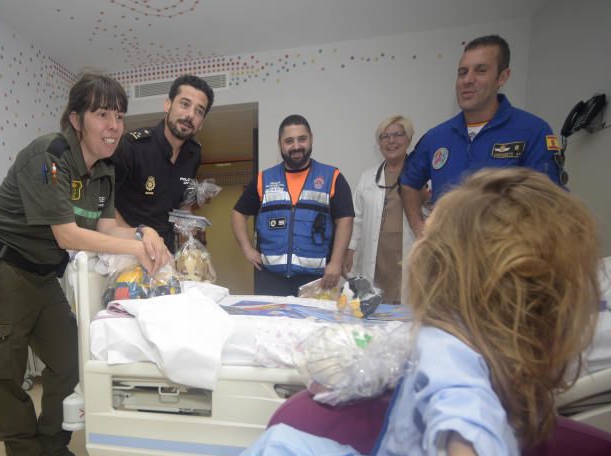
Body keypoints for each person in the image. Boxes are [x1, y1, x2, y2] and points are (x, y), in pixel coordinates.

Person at [83, 168, 601, 456]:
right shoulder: (475, 340)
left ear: (448, 268)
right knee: (282, 442)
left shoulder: (452, 348)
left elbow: (471, 431)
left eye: (431, 230)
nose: (421, 237)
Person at [0, 73, 171, 456]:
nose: (114, 125)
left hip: (43, 276)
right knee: (3, 374)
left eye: (119, 115)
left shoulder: (105, 171)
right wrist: (134, 248)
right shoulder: (48, 156)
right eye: (102, 114)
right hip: (2, 269)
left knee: (69, 362)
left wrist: (145, 234)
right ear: (77, 119)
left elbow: (108, 226)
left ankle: (55, 450)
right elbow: (68, 236)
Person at [401, 34, 563, 237]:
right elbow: (409, 183)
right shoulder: (436, 138)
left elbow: (548, 203)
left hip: (505, 259)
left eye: (481, 70)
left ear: (502, 77)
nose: (468, 80)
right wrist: (420, 229)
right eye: (462, 72)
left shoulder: (532, 131)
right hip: (448, 258)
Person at [231, 114, 355, 296]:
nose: (296, 146)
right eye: (289, 141)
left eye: (302, 139)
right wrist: (247, 248)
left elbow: (345, 220)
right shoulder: (263, 179)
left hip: (317, 280)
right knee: (268, 325)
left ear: (311, 138)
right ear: (280, 143)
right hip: (270, 279)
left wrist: (336, 262)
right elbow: (238, 214)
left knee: (315, 325)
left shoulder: (332, 177)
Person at [113, 74, 214, 252]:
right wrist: (133, 238)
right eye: (184, 104)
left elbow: (182, 204)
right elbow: (105, 203)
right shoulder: (132, 146)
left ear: (201, 123)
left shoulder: (194, 153)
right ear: (167, 104)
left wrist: (190, 239)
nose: (190, 115)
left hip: (166, 249)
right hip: (126, 247)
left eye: (199, 111)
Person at [347, 115, 418, 305]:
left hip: (406, 252)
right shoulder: (367, 178)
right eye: (385, 136)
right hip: (376, 254)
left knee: (405, 308)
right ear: (379, 143)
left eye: (398, 134)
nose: (391, 141)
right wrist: (350, 250)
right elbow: (357, 219)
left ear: (409, 139)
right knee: (374, 308)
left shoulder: (423, 176)